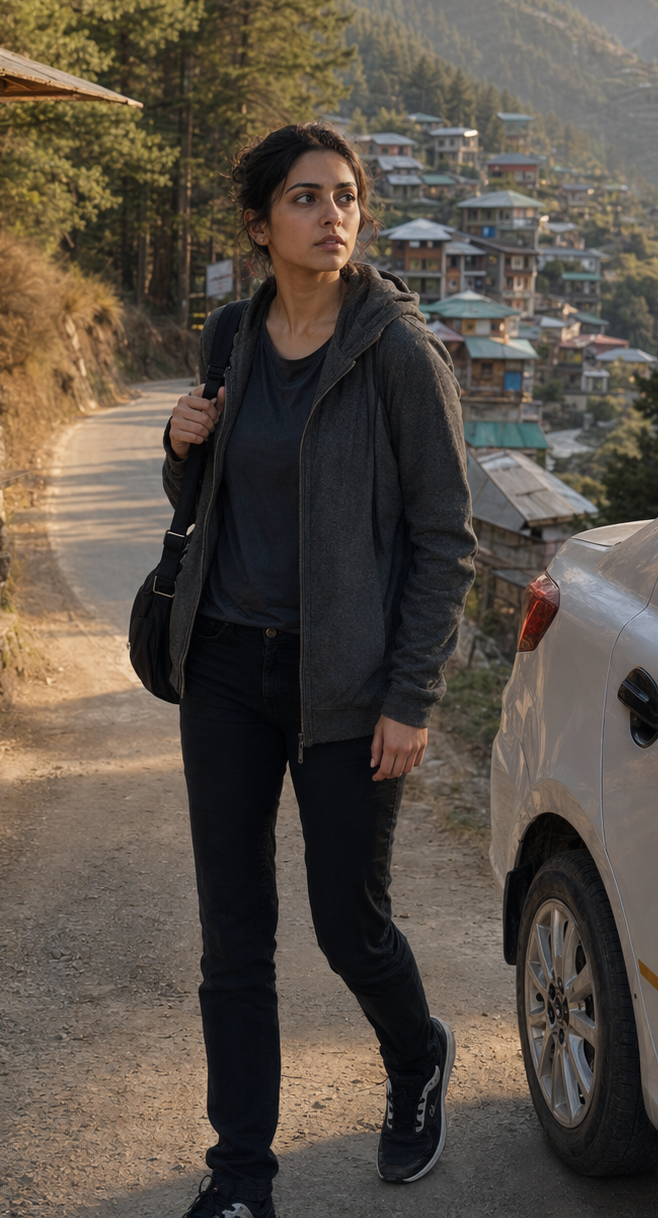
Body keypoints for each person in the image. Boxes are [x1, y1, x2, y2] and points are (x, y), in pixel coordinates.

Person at [161, 123, 476, 1218]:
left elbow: (446, 539)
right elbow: (198, 505)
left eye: (345, 195)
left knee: (350, 925)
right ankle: (241, 1173)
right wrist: (178, 439)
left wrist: (411, 696)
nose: (332, 214)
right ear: (260, 224)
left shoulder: (397, 352)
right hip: (225, 672)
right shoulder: (232, 335)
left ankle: (417, 1047)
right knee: (234, 930)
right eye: (305, 197)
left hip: (346, 689)